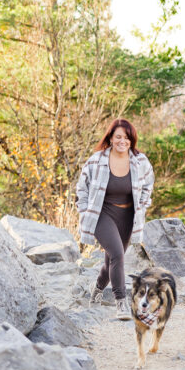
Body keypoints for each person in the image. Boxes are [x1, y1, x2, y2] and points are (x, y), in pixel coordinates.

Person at [75, 118, 155, 320]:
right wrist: (84, 212)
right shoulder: (96, 160)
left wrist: (143, 204)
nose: (122, 141)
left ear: (132, 140)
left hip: (128, 217)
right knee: (118, 255)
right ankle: (121, 302)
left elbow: (148, 186)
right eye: (118, 136)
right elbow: (81, 189)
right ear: (110, 138)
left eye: (127, 138)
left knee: (111, 260)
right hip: (102, 215)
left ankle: (97, 289)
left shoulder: (140, 161)